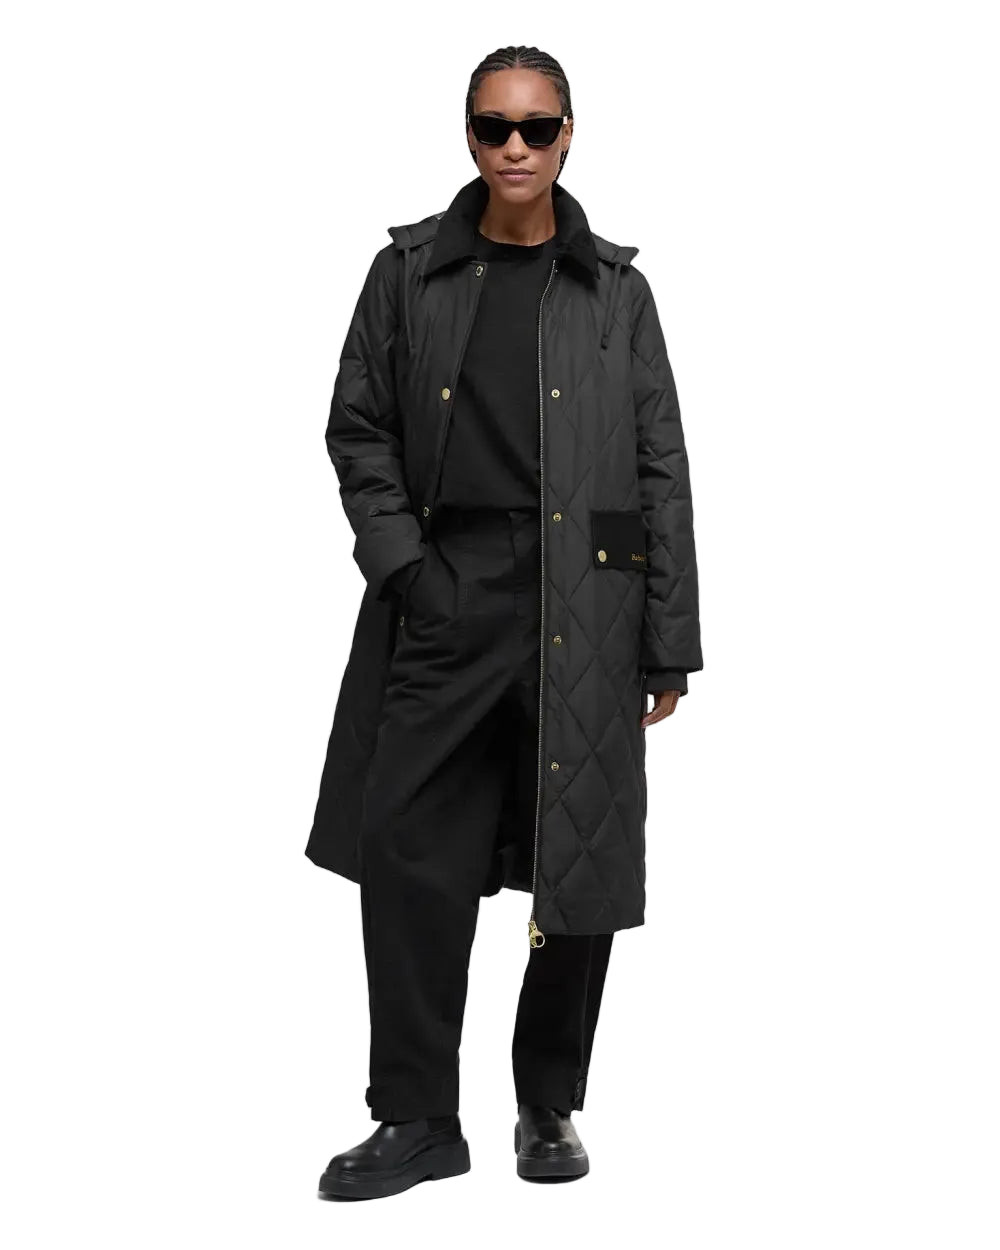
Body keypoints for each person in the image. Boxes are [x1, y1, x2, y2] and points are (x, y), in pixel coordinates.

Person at [306, 44, 702, 1200]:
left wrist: (665, 634)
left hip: (587, 590)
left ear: (569, 135)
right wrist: (406, 569)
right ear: (469, 136)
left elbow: (657, 467)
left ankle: (548, 1102)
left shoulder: (616, 291)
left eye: (536, 126)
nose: (515, 147)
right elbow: (358, 428)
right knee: (408, 853)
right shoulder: (408, 272)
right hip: (448, 586)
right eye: (494, 126)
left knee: (579, 854)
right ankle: (418, 1116)